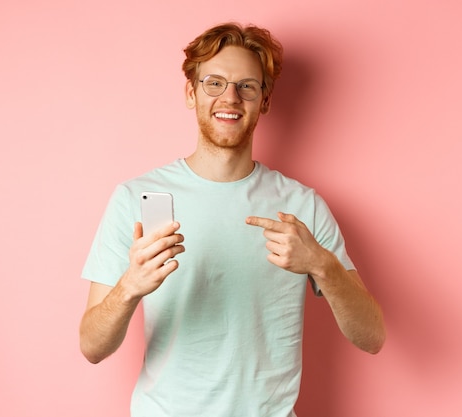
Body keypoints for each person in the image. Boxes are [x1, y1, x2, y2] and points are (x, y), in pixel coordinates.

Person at [79, 22, 385, 417]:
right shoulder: (133, 199)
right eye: (214, 83)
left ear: (265, 101)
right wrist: (130, 288)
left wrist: (322, 265)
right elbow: (92, 346)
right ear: (191, 93)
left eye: (247, 86)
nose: (230, 97)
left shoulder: (303, 207)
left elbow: (372, 337)